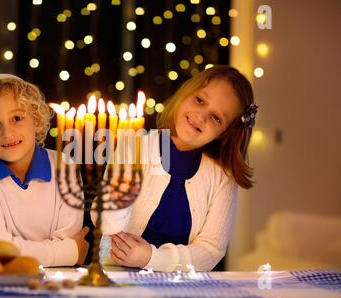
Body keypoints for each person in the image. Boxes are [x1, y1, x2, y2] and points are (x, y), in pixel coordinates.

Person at [95, 65, 258, 272]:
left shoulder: (223, 177)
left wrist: (151, 258)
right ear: (185, 93)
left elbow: (211, 250)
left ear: (224, 133)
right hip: (115, 274)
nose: (201, 116)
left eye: (217, 117)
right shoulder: (134, 147)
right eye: (199, 100)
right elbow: (105, 223)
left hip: (182, 286)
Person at [0, 73, 89, 266]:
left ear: (36, 120)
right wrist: (67, 252)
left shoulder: (64, 166)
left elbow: (0, 252)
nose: (7, 133)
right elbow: (70, 253)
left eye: (17, 118)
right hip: (3, 283)